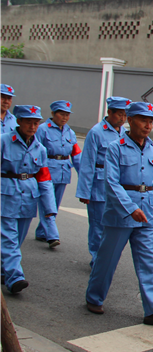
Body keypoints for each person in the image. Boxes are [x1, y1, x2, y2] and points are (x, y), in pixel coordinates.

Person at [84, 101, 153, 325]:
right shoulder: (115, 148)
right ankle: (94, 297)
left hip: (146, 212)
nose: (148, 125)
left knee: (149, 260)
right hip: (121, 213)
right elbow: (111, 183)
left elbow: (152, 182)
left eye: (150, 121)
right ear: (130, 120)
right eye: (143, 120)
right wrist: (131, 208)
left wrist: (147, 207)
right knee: (107, 259)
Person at [1, 105, 57, 294]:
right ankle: (15, 277)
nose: (33, 126)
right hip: (6, 195)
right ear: (19, 122)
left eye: (36, 123)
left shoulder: (40, 148)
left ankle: (5, 270)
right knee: (8, 239)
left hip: (28, 198)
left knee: (17, 240)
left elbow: (44, 178)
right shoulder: (3, 141)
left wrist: (49, 208)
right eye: (29, 122)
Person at [76, 96, 129, 267]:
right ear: (109, 112)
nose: (122, 118)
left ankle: (104, 258)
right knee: (97, 226)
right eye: (119, 114)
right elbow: (87, 163)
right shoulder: (96, 132)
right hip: (99, 186)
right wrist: (85, 191)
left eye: (124, 115)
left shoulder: (124, 133)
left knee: (111, 226)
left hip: (118, 187)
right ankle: (97, 259)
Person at [34, 100, 82, 249]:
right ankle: (52, 235)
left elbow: (76, 155)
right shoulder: (42, 129)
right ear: (53, 114)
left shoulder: (70, 132)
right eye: (62, 114)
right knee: (47, 204)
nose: (65, 117)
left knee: (55, 203)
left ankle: (42, 232)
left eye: (67, 115)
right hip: (46, 171)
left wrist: (84, 176)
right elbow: (35, 150)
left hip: (63, 172)